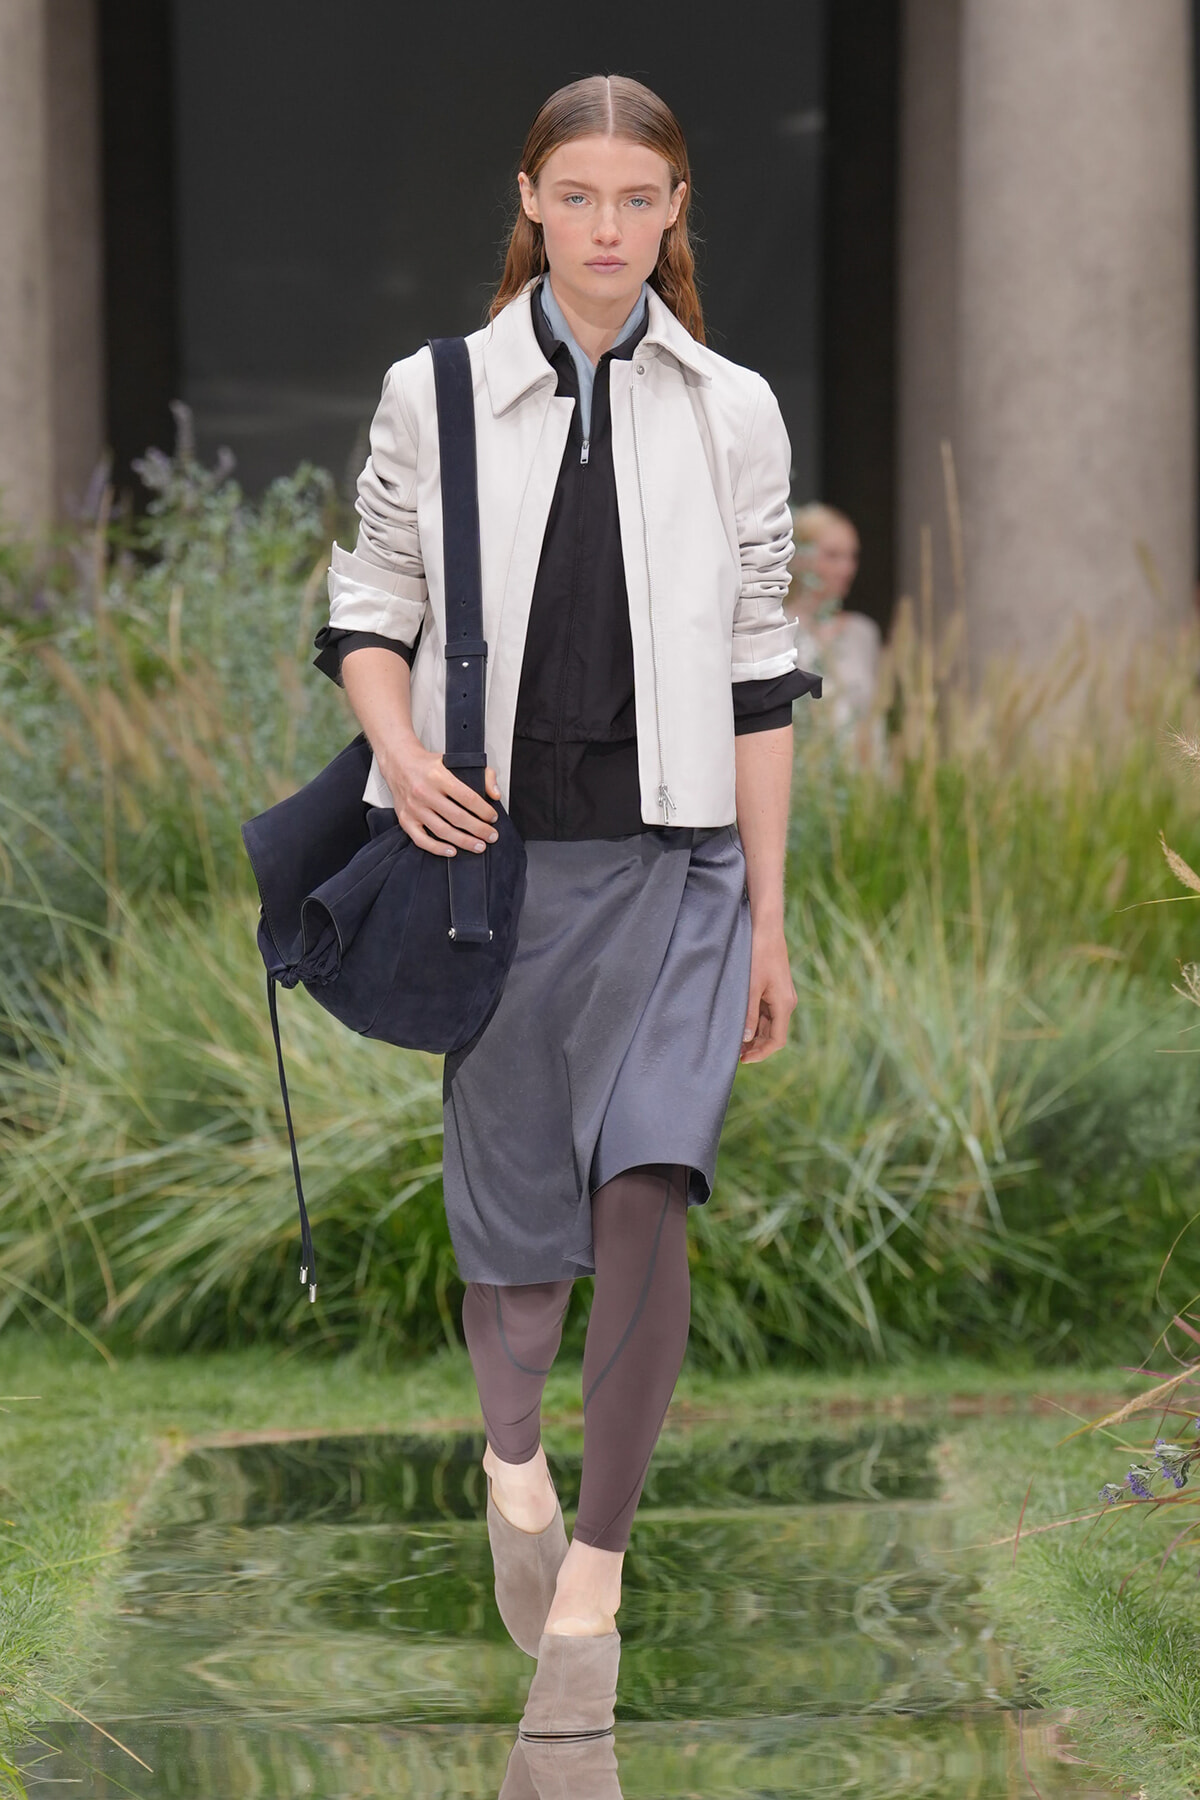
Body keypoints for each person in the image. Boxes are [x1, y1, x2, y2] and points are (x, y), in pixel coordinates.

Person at [311, 73, 818, 1734]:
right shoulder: (437, 394)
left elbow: (763, 673)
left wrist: (771, 913)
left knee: (648, 1194)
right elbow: (371, 600)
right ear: (531, 200)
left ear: (675, 216)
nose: (608, 229)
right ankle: (514, 1464)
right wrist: (401, 748)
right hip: (500, 871)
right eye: (578, 195)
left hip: (680, 869)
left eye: (639, 200)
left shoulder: (732, 408)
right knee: (521, 1254)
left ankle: (595, 1565)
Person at [787, 501, 881, 751]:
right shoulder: (778, 630)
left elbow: (874, 723)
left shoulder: (862, 633)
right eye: (832, 555)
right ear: (799, 556)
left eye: (852, 556)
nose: (847, 568)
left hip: (856, 782)